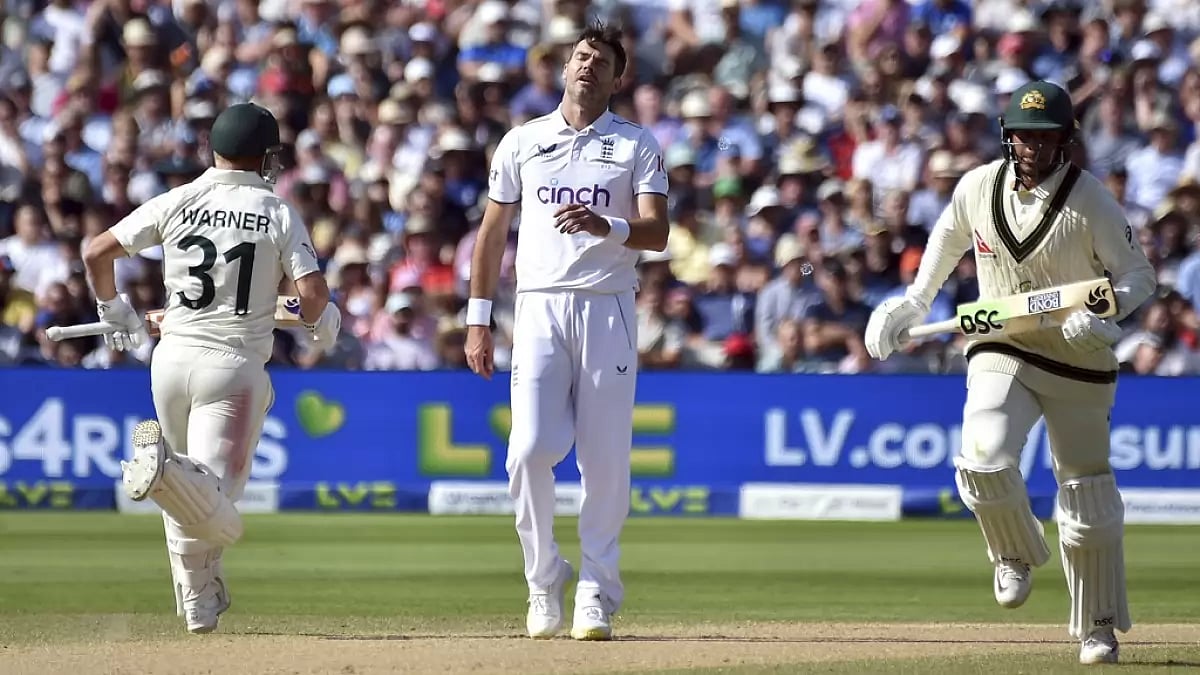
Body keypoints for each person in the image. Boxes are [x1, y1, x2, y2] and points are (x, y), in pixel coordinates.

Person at [864, 81, 1157, 665]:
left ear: (1065, 140)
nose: (1033, 147)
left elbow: (1138, 277)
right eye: (1024, 135)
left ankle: (1098, 625)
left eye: (1045, 137)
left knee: (1086, 492)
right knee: (981, 456)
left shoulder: (1091, 200)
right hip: (1001, 343)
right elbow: (947, 242)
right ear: (1007, 136)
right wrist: (914, 303)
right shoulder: (977, 186)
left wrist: (1102, 315)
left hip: (1078, 357)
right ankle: (1013, 551)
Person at [81, 102, 342, 634]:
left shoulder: (178, 198)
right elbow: (312, 296)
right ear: (265, 156)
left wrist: (114, 309)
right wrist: (321, 319)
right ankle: (163, 471)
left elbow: (96, 253)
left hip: (170, 360)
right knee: (215, 505)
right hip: (233, 367)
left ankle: (198, 601)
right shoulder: (276, 210)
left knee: (188, 497)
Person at [464, 22, 669, 641]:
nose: (588, 67)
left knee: (603, 462)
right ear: (564, 68)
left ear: (617, 78)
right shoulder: (523, 141)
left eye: (601, 62)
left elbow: (657, 232)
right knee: (528, 449)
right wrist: (478, 320)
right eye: (581, 57)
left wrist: (608, 226)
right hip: (538, 308)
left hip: (608, 308)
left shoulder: (636, 144)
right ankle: (543, 576)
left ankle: (597, 590)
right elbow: (492, 235)